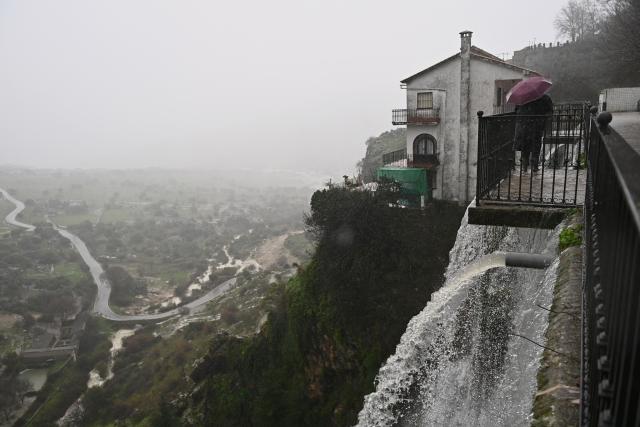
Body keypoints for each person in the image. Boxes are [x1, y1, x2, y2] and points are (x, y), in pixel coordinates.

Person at [514, 94, 553, 172]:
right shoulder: (544, 98)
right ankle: (534, 166)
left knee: (525, 146)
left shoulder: (522, 98)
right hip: (537, 125)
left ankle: (524, 166)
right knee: (536, 145)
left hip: (524, 125)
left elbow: (516, 111)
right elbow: (550, 111)